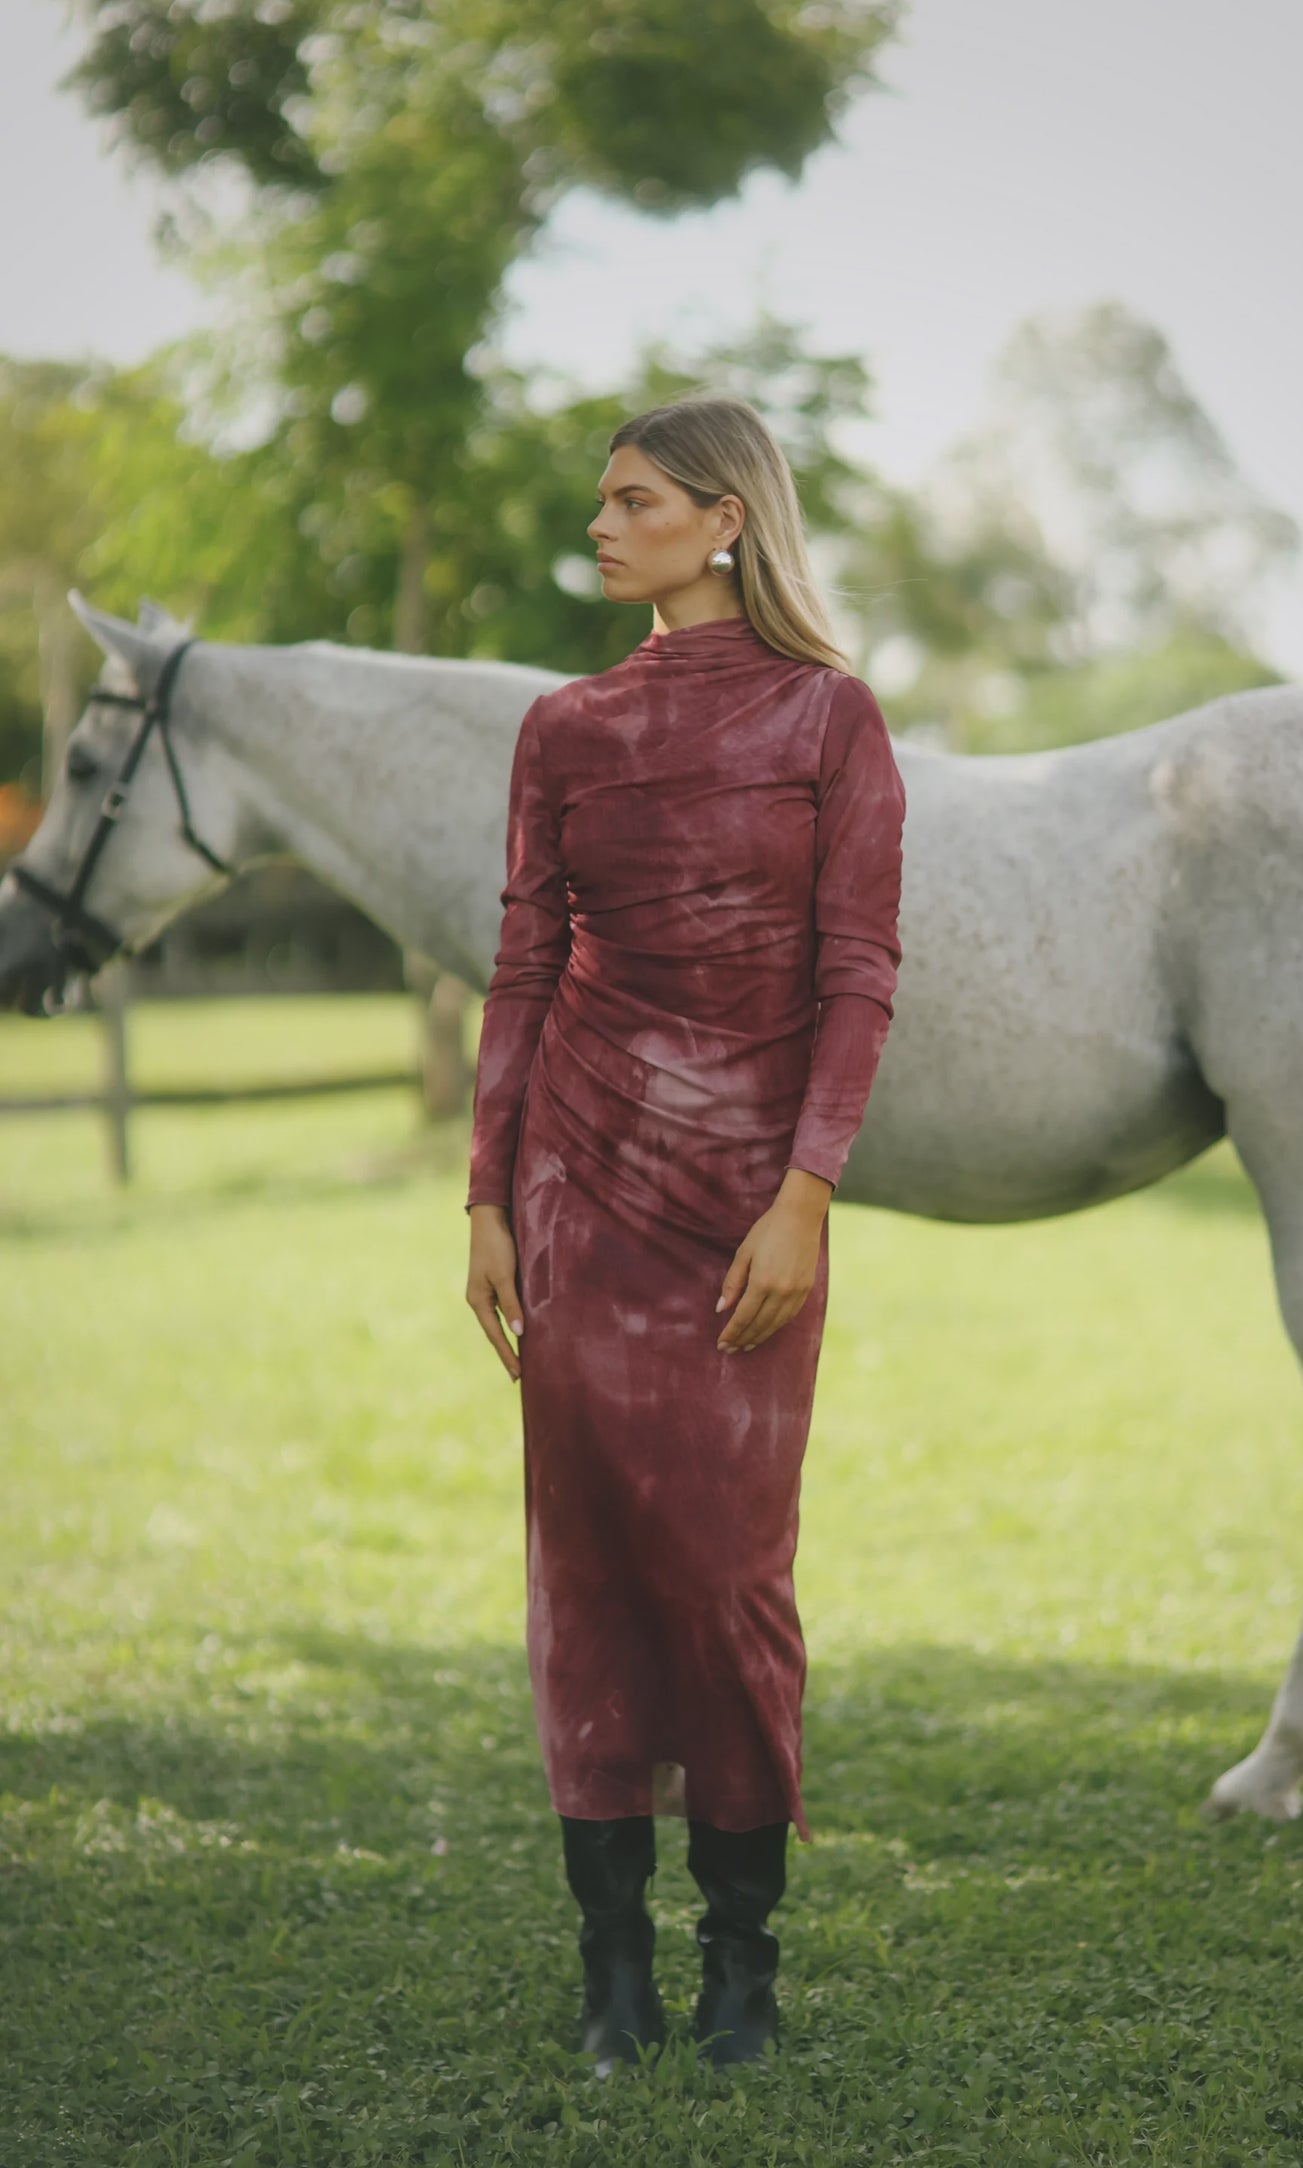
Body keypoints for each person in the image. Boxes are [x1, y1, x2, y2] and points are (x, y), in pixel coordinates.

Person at [464, 395, 906, 2073]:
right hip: (576, 1192)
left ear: (725, 520)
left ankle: (741, 1963)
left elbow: (856, 975)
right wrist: (488, 1197)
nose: (600, 524)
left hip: (746, 1215)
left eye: (631, 500)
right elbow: (521, 970)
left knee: (727, 1578)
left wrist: (806, 1195)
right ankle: (612, 1976)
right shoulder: (563, 727)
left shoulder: (828, 720)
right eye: (603, 502)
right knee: (582, 1578)